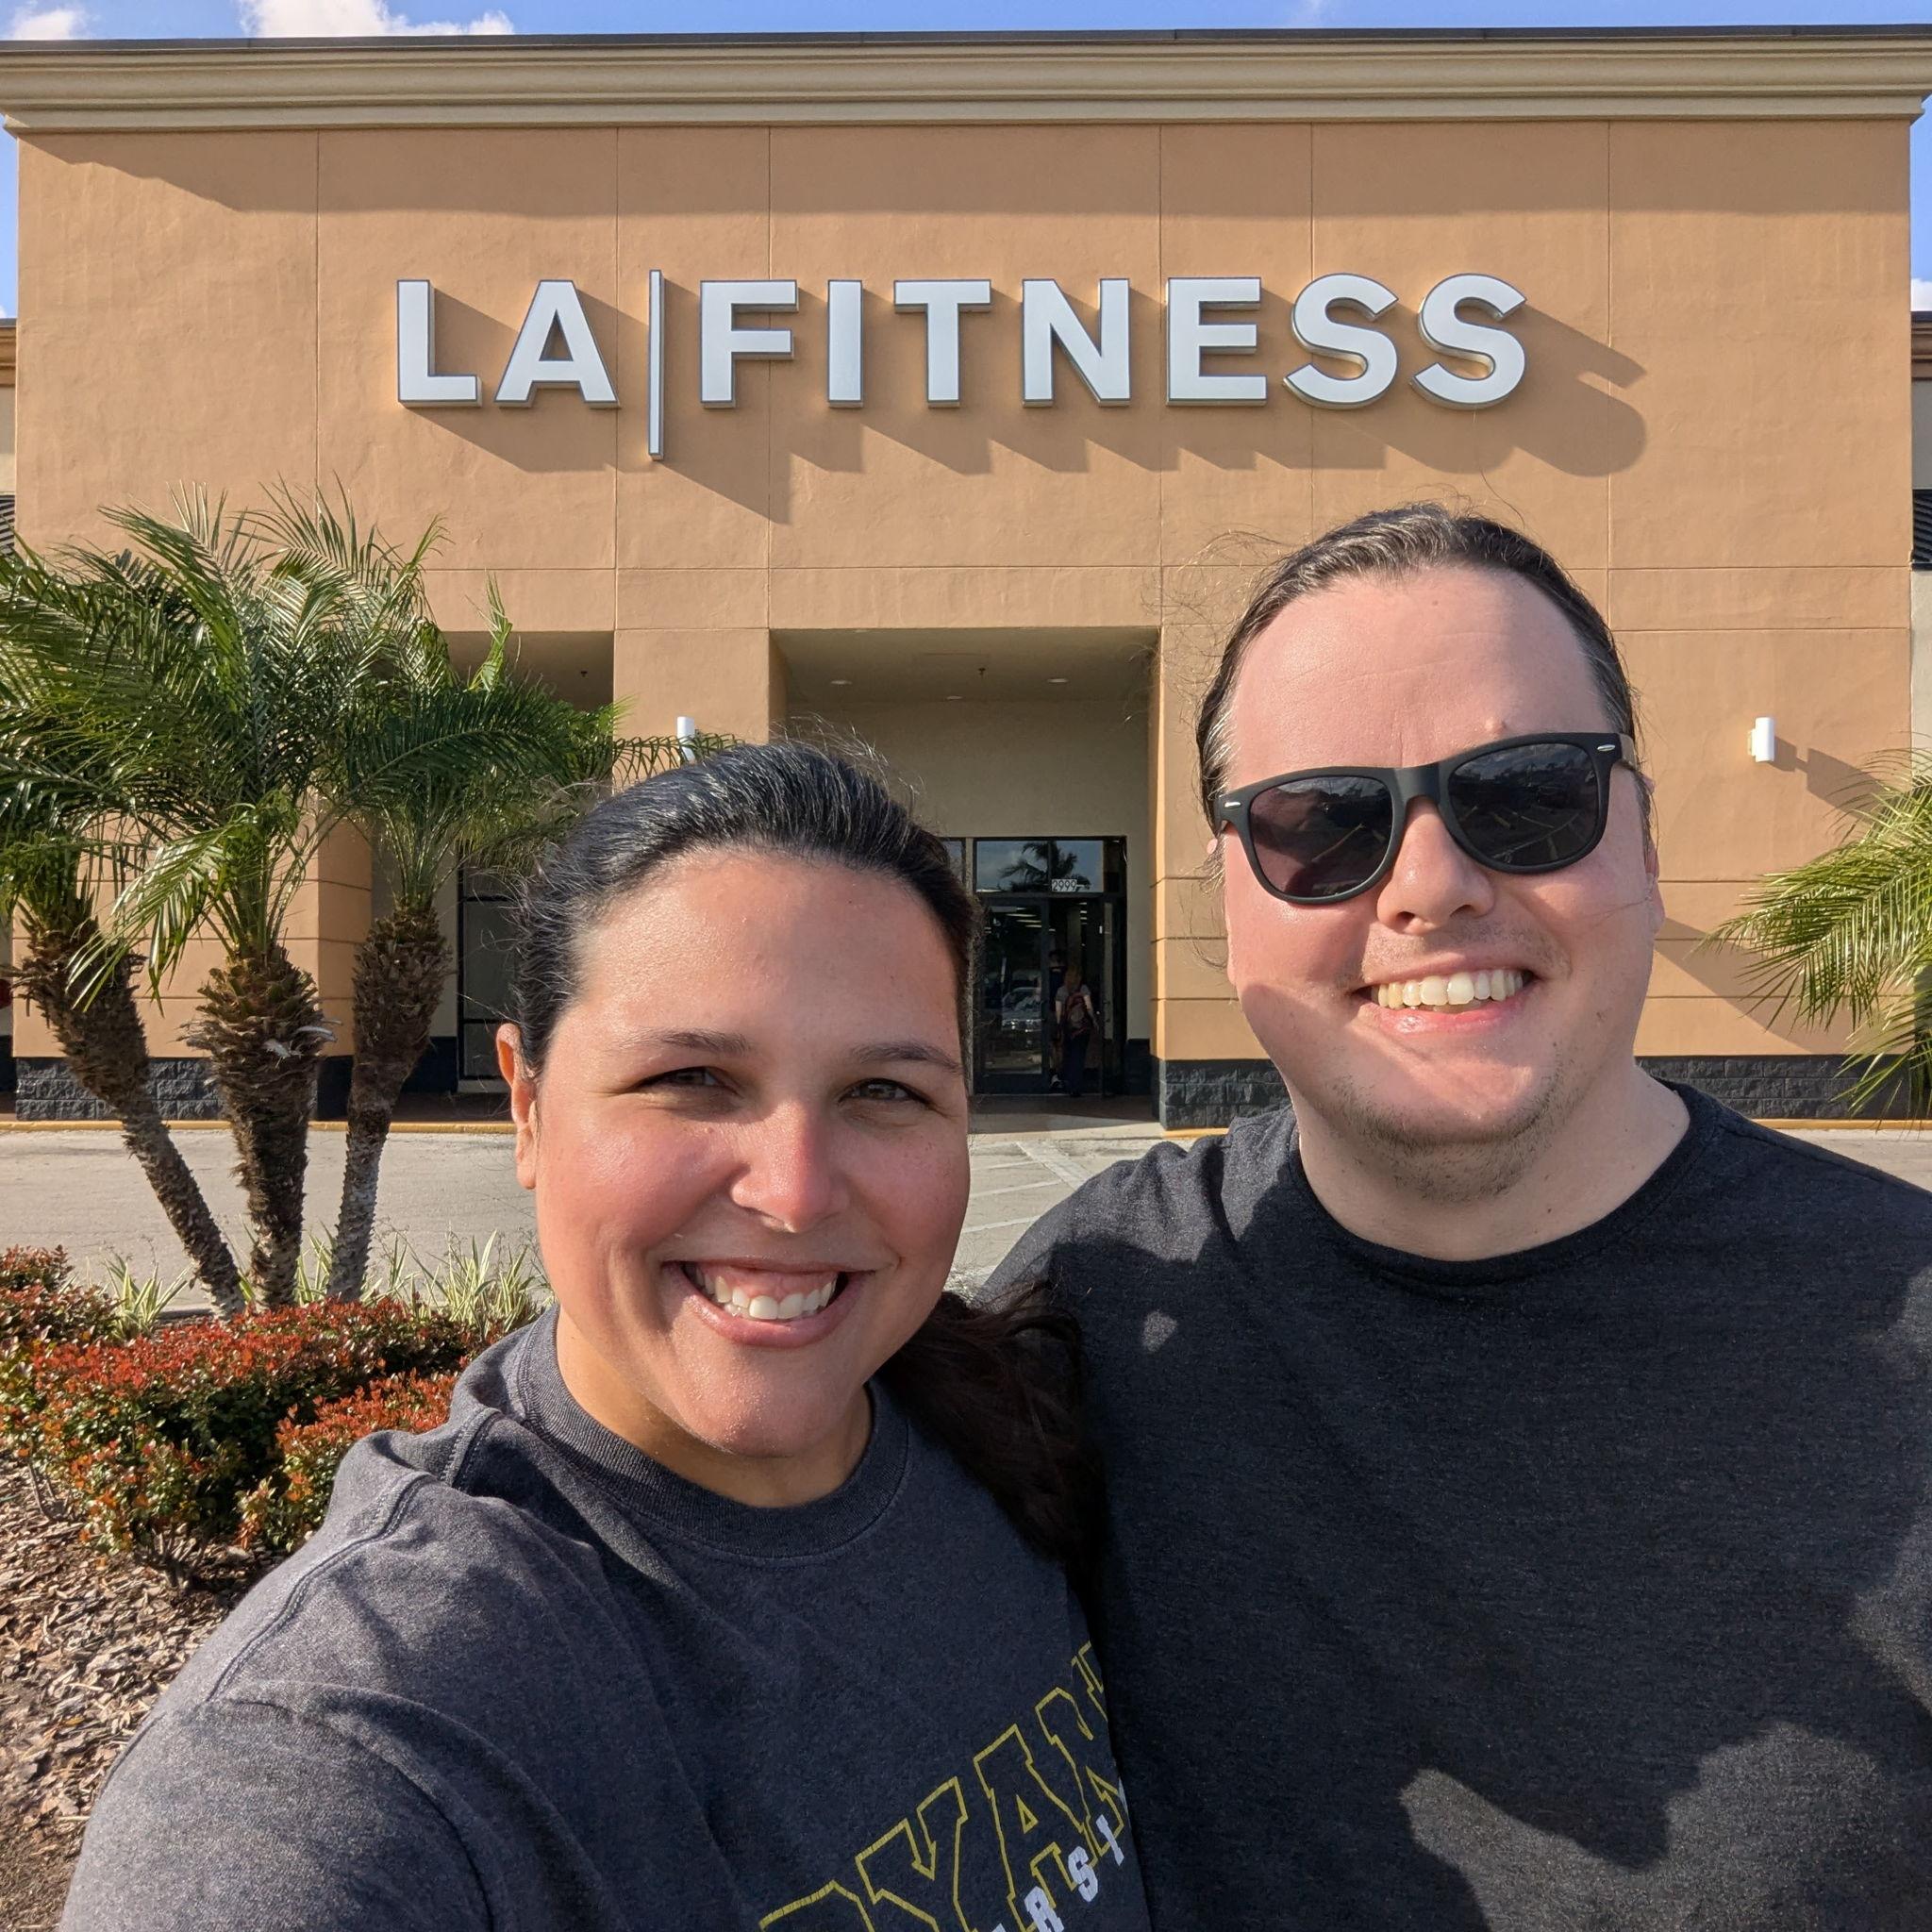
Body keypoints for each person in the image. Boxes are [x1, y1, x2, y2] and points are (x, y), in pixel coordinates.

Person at [991, 504, 1932, 1929]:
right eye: (1320, 825)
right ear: (1222, 906)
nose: (1432, 886)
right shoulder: (1097, 1311)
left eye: (1529, 794)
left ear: (1647, 838)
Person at [64, 744, 1150, 1932]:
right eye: (691, 1076)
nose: (792, 1190)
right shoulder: (354, 1740)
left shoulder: (1003, 1424)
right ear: (526, 1104)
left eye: (885, 1091)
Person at [1055, 960, 1098, 1099]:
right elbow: (1089, 1007)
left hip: (1068, 1029)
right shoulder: (1083, 988)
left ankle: (1069, 1083)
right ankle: (1077, 1086)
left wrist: (1059, 1027)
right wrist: (1094, 1021)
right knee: (1079, 1057)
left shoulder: (1061, 990)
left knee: (1068, 1055)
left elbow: (1058, 1012)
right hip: (1082, 1029)